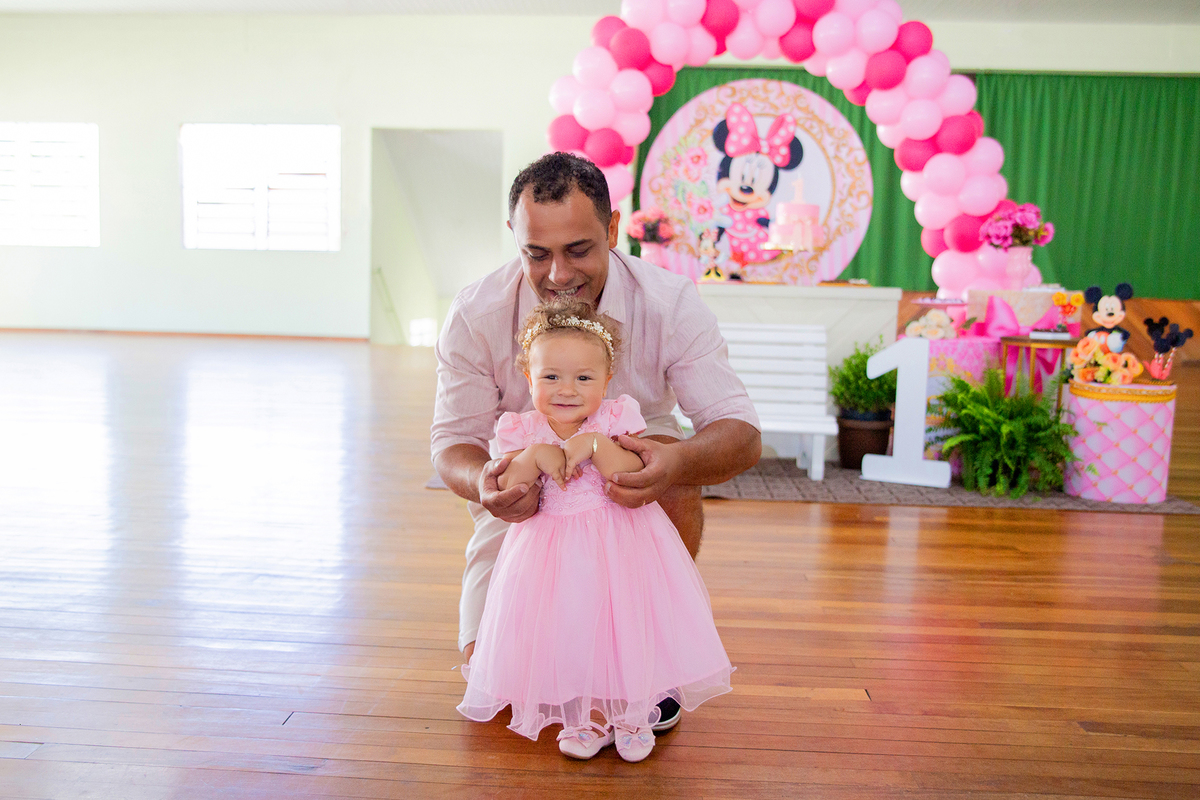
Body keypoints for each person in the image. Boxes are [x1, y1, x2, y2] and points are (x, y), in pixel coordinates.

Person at [430, 152, 761, 730]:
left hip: (632, 472)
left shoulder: (670, 302)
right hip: (524, 485)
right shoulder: (475, 312)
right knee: (492, 676)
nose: (558, 274)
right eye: (537, 253)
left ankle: (650, 654)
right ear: (514, 236)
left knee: (672, 466)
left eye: (578, 249)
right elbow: (453, 442)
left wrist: (676, 461)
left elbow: (740, 432)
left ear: (612, 229)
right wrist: (485, 484)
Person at [457, 300, 735, 762]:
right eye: (551, 377)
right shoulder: (521, 429)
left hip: (618, 546)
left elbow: (630, 469)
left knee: (622, 622)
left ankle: (634, 711)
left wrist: (593, 444)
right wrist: (533, 457)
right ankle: (584, 716)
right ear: (529, 377)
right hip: (551, 553)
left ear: (606, 382)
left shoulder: (613, 419)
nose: (567, 389)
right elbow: (505, 485)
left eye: (584, 378)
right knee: (572, 625)